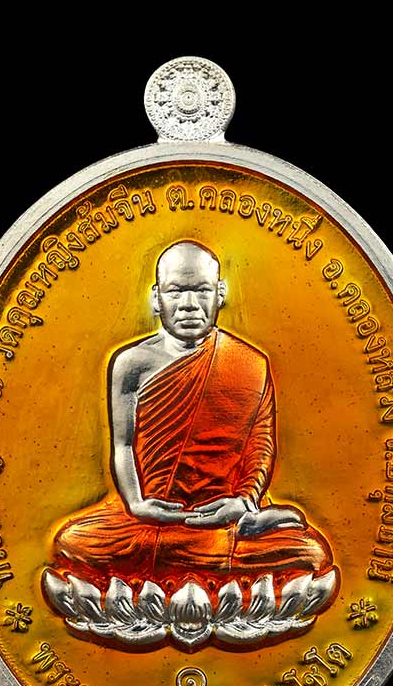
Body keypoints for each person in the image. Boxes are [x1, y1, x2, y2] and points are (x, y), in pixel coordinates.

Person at [43, 241, 339, 643]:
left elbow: (261, 445)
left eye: (200, 290)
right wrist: (137, 504)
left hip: (225, 516)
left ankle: (246, 528)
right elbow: (123, 446)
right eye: (176, 291)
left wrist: (243, 502)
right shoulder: (130, 364)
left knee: (310, 552)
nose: (187, 304)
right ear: (156, 298)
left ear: (220, 294)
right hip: (148, 520)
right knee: (72, 543)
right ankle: (229, 560)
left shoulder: (250, 364)